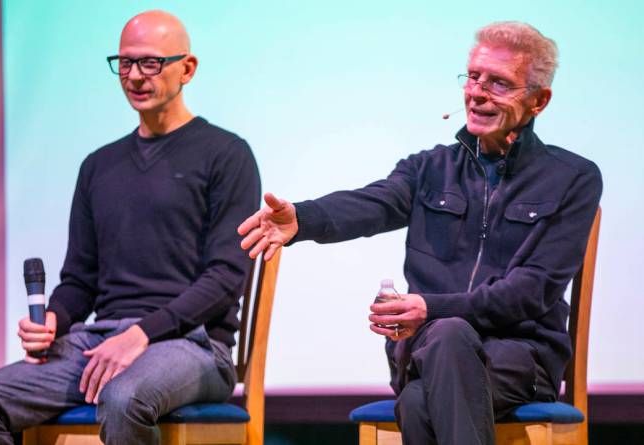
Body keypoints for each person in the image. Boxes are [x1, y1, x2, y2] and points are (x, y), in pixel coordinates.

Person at [238, 21, 602, 445]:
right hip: (425, 352)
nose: (477, 92)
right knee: (444, 340)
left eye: (499, 83)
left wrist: (431, 308)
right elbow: (372, 203)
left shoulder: (572, 177)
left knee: (417, 400)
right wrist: (303, 218)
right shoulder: (428, 168)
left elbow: (533, 290)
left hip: (520, 356)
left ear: (539, 100)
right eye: (474, 77)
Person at [0, 10, 260, 445]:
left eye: (150, 63)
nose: (135, 76)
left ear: (186, 69)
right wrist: (55, 321)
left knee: (122, 397)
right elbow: (80, 279)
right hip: (100, 341)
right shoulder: (99, 166)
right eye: (125, 63)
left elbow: (227, 277)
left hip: (192, 344)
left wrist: (141, 334)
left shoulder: (226, 154)